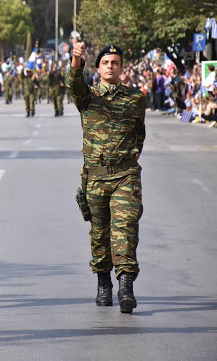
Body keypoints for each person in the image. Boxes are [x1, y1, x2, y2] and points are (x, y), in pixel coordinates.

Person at [67, 43, 146, 314]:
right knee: (100, 234)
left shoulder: (136, 98)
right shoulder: (87, 98)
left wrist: (127, 159)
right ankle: (103, 282)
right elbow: (73, 84)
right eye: (105, 62)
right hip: (96, 178)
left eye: (115, 62)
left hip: (125, 175)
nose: (110, 66)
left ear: (122, 68)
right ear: (98, 68)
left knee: (125, 229)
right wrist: (76, 58)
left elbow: (139, 134)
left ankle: (126, 285)